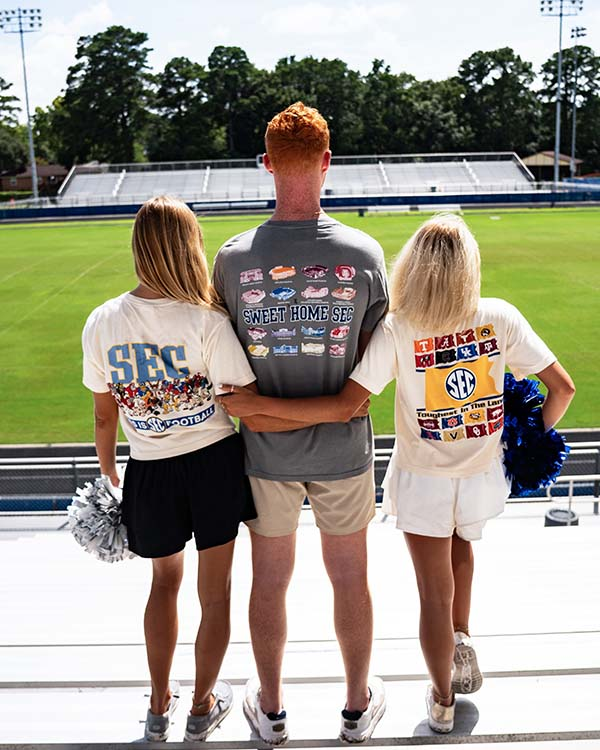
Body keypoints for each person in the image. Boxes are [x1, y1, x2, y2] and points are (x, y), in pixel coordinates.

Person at [218, 213, 576, 734]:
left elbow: (345, 406)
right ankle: (462, 634)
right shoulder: (500, 317)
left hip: (423, 479)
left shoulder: (398, 328)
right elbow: (561, 389)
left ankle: (443, 699)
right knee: (462, 549)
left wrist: (258, 405)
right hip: (482, 477)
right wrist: (523, 444)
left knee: (433, 591)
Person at [212, 102, 389, 744]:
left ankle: (273, 709)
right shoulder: (365, 254)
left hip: (265, 455)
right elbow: (367, 375)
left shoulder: (232, 260)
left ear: (264, 164)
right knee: (351, 579)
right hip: (344, 450)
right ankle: (354, 707)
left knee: (270, 582)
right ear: (326, 162)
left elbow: (227, 365)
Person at [81, 196, 257, 742]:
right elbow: (243, 398)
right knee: (216, 593)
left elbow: (103, 411)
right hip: (214, 465)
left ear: (138, 248)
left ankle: (159, 704)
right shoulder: (207, 318)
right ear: (190, 248)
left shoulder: (103, 321)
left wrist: (111, 472)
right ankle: (202, 705)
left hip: (149, 470)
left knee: (163, 585)